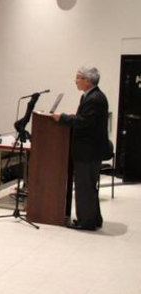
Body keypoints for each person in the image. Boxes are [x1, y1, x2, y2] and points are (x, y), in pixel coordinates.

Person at [52, 66, 109, 231]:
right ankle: (94, 219)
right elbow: (85, 119)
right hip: (90, 150)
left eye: (78, 77)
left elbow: (84, 122)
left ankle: (87, 222)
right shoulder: (92, 96)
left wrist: (63, 118)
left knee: (85, 186)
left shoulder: (94, 98)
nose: (75, 80)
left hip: (88, 151)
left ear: (87, 80)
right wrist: (70, 117)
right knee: (89, 186)